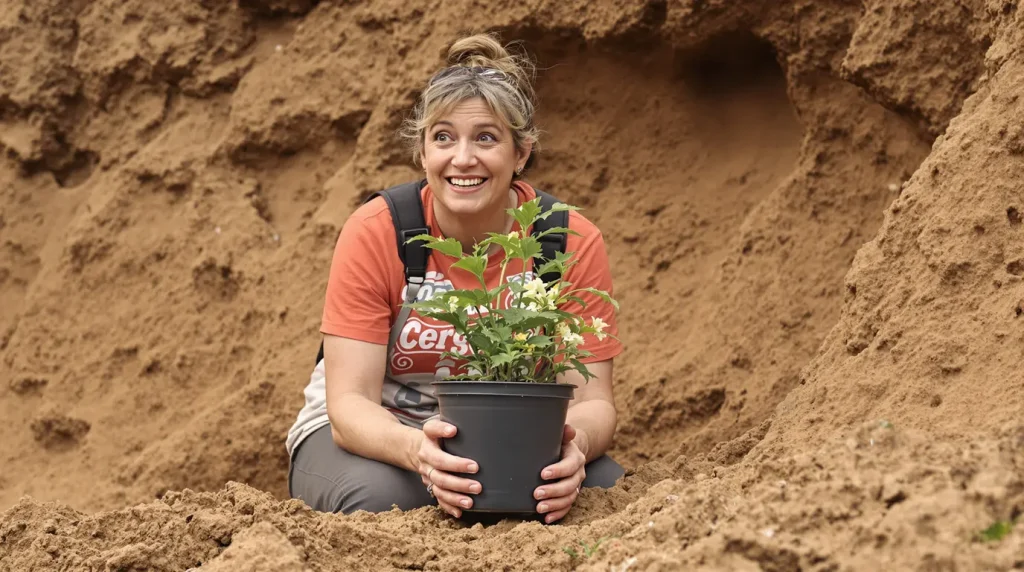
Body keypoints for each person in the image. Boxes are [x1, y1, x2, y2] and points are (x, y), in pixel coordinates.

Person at [285, 33, 624, 524]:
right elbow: (348, 404)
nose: (462, 159)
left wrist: (575, 449)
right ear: (423, 152)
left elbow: (594, 401)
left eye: (486, 137)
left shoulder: (564, 240)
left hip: (519, 436)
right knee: (383, 503)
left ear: (521, 153)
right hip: (383, 434)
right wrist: (418, 453)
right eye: (443, 137)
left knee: (606, 493)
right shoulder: (380, 231)